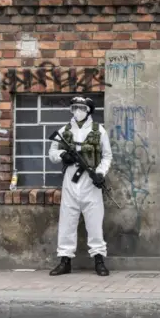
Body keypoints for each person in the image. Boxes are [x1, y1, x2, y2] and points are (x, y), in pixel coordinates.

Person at [48, 96, 113, 277]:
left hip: (90, 182)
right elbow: (52, 152)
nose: (77, 111)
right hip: (70, 181)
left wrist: (100, 173)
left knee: (94, 223)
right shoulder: (64, 131)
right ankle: (65, 260)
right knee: (67, 221)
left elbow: (107, 156)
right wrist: (62, 155)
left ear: (89, 110)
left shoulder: (99, 131)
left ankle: (99, 260)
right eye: (74, 107)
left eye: (81, 108)